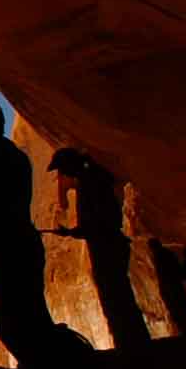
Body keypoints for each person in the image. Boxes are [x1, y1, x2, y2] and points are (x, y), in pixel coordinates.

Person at [0, 101, 91, 369]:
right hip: (14, 242)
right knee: (27, 315)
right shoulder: (9, 156)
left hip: (6, 246)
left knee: (16, 320)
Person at [47, 148, 150, 348]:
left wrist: (76, 232)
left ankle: (133, 344)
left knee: (116, 296)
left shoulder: (90, 183)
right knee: (117, 295)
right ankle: (133, 342)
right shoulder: (92, 180)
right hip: (106, 242)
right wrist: (72, 232)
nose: (63, 175)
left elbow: (100, 221)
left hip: (106, 244)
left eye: (62, 169)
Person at [149, 239, 186, 336]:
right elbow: (177, 270)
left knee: (178, 311)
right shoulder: (166, 254)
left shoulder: (161, 256)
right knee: (181, 310)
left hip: (171, 287)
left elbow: (167, 273)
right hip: (174, 286)